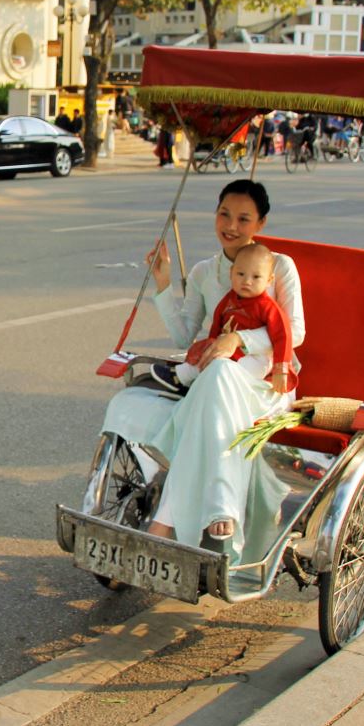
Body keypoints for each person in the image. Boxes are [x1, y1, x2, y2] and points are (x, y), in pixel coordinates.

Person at [100, 180, 304, 557]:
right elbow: (183, 336)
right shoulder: (204, 272)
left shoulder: (280, 268)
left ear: (261, 223)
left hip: (265, 385)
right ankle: (219, 509)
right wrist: (163, 283)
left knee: (219, 373)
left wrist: (238, 341)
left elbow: (297, 331)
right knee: (213, 378)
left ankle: (165, 520)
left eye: (244, 218)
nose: (231, 225)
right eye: (224, 213)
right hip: (213, 385)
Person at [169, 243, 295, 395]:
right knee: (210, 358)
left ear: (269, 280)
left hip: (257, 360)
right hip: (230, 356)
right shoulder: (228, 300)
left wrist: (281, 370)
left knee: (221, 369)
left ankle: (185, 377)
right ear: (231, 273)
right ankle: (183, 376)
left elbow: (285, 335)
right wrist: (210, 349)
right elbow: (216, 327)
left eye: (256, 277)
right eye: (240, 274)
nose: (247, 281)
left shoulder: (267, 306)